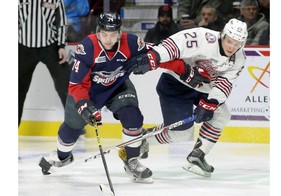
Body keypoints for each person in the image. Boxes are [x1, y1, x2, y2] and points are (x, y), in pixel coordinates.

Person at [38, 12, 205, 183]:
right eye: (104, 34)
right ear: (97, 32)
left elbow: (159, 55)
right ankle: (62, 157)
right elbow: (76, 85)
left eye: (113, 35)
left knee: (133, 117)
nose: (108, 39)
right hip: (88, 93)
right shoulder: (87, 47)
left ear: (119, 33)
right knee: (70, 131)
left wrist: (184, 70)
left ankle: (131, 160)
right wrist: (83, 105)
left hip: (118, 87)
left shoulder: (132, 43)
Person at [124, 18, 248, 178]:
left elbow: (225, 82)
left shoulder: (239, 58)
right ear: (223, 35)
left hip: (203, 89)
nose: (232, 47)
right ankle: (145, 140)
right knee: (182, 134)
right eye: (229, 41)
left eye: (237, 44)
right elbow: (174, 45)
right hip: (176, 85)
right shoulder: (204, 37)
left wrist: (211, 103)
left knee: (222, 115)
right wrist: (153, 57)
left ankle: (198, 155)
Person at [18, 0, 71, 126]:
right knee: (17, 90)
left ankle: (74, 124)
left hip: (50, 46)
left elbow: (61, 22)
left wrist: (61, 45)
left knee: (66, 85)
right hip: (23, 47)